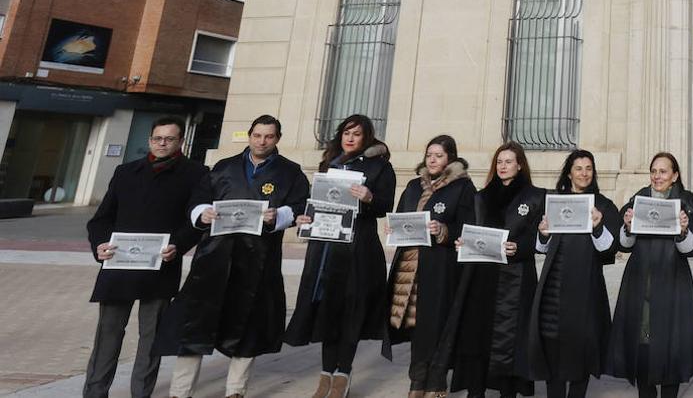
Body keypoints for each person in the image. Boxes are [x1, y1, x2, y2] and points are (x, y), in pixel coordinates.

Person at [157, 114, 310, 398]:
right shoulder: (223, 167)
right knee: (195, 324)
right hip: (214, 257)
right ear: (249, 135)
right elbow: (198, 200)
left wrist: (279, 216)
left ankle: (235, 390)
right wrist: (201, 213)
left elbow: (300, 206)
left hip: (258, 259)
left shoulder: (291, 172)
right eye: (257, 135)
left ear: (277, 139)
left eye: (269, 136)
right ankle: (180, 392)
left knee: (247, 324)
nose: (262, 141)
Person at [83, 116, 208, 398]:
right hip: (118, 266)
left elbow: (195, 222)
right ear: (150, 140)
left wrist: (178, 245)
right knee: (108, 336)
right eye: (157, 138)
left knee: (151, 339)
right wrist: (100, 245)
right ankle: (94, 393)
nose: (162, 143)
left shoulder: (196, 174)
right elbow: (101, 220)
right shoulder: (125, 172)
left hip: (161, 267)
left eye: (169, 139)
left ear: (181, 141)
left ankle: (141, 394)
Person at [285, 115, 397, 398]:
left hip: (356, 248)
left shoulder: (379, 166)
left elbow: (385, 205)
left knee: (350, 311)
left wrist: (369, 197)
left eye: (357, 134)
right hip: (325, 247)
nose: (350, 138)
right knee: (327, 310)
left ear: (366, 137)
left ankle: (342, 374)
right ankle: (326, 374)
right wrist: (306, 218)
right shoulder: (330, 163)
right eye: (346, 132)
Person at [445, 141, 545, 398]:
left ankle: (508, 392)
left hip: (515, 278)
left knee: (510, 342)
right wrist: (462, 242)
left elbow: (539, 237)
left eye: (508, 161)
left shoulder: (535, 197)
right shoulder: (481, 197)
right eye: (499, 162)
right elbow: (469, 230)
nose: (503, 166)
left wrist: (519, 247)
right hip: (482, 278)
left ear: (520, 165)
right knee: (478, 337)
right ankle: (476, 391)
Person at [385, 134, 476, 398]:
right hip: (410, 267)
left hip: (441, 268)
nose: (433, 160)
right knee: (416, 326)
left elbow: (468, 227)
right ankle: (417, 381)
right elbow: (402, 216)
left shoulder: (462, 188)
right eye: (429, 155)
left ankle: (436, 383)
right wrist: (393, 227)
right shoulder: (414, 186)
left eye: (439, 155)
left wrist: (444, 230)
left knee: (436, 325)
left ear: (450, 159)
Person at [607, 152, 693, 398]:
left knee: (672, 344)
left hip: (673, 282)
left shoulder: (687, 202)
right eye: (654, 171)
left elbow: (691, 249)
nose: (657, 176)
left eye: (663, 171)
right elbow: (624, 244)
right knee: (642, 344)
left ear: (675, 175)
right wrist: (627, 227)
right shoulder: (638, 199)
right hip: (640, 280)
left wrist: (682, 232)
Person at [527, 150, 621, 398]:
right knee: (552, 349)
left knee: (581, 350)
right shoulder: (554, 202)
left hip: (585, 289)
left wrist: (598, 226)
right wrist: (543, 233)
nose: (584, 173)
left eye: (588, 168)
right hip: (553, 288)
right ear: (569, 172)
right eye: (578, 168)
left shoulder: (603, 206)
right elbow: (540, 247)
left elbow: (610, 249)